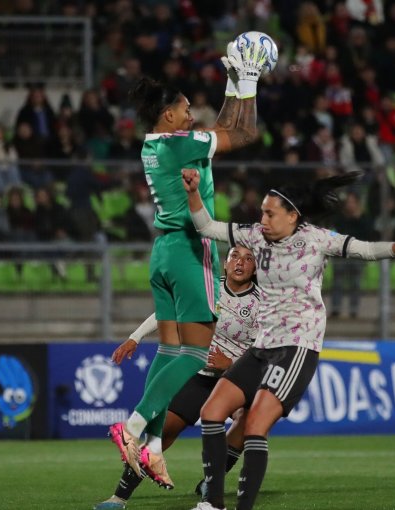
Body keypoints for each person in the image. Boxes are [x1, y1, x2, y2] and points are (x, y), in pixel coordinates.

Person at [180, 169, 395, 510]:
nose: (262, 219)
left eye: (270, 213)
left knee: (254, 426)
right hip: (262, 344)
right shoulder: (254, 236)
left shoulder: (316, 239)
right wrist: (193, 192)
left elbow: (365, 250)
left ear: (292, 215)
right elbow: (206, 227)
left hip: (296, 347)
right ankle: (213, 503)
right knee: (211, 412)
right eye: (262, 212)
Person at [109, 41, 269, 490]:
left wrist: (235, 79)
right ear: (167, 117)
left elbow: (220, 124)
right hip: (188, 250)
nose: (189, 114)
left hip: (161, 252)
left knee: (170, 351)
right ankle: (135, 426)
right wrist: (249, 83)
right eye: (182, 109)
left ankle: (155, 447)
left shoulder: (156, 142)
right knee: (197, 354)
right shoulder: (180, 145)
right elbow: (242, 133)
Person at [96, 246, 260, 510]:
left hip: (235, 379)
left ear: (255, 268)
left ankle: (213, 481)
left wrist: (230, 364)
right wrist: (134, 337)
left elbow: (264, 353)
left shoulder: (262, 304)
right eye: (234, 256)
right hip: (200, 376)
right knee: (163, 430)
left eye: (248, 258)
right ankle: (119, 497)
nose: (240, 262)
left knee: (248, 418)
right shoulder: (207, 289)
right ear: (226, 263)